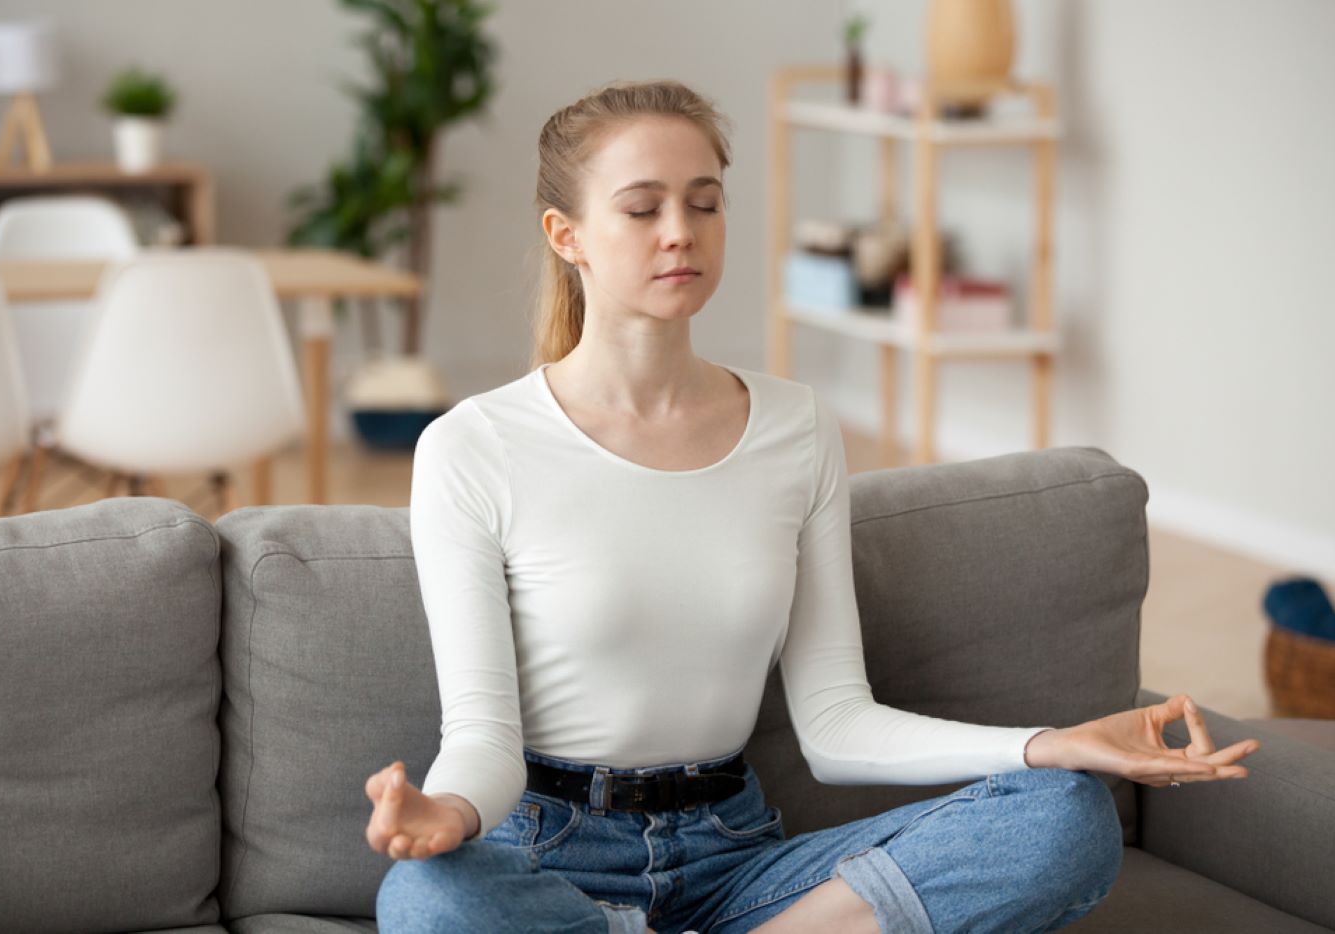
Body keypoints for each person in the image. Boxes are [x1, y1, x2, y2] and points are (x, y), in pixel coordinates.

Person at [366, 79, 1261, 934]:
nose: (681, 232)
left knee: (1064, 815)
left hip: (736, 857)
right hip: (550, 859)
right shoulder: (474, 446)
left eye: (705, 203)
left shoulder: (794, 426)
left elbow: (836, 722)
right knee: (426, 900)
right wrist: (446, 812)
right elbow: (484, 737)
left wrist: (1049, 745)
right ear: (567, 235)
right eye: (642, 209)